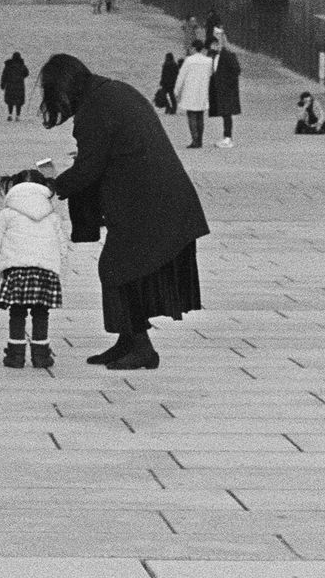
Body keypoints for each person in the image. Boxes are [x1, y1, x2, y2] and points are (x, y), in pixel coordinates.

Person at [40, 53, 208, 370]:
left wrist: (52, 188)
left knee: (117, 268)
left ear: (65, 86)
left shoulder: (96, 106)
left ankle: (142, 348)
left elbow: (90, 166)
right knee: (121, 268)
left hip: (151, 202)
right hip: (155, 198)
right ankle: (128, 341)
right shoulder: (108, 93)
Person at [0, 168, 66, 369]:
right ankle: (41, 356)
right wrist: (55, 267)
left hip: (17, 270)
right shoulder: (52, 215)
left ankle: (15, 355)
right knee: (41, 313)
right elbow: (62, 246)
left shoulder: (7, 214)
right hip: (44, 270)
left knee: (17, 312)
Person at [173, 42, 214, 149]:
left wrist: (176, 91)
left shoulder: (189, 60)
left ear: (194, 48)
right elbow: (210, 74)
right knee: (200, 116)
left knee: (191, 115)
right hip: (202, 90)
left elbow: (181, 76)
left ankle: (195, 140)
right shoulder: (208, 61)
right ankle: (199, 140)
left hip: (190, 90)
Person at [208, 30, 242, 148]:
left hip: (227, 90)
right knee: (224, 114)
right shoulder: (214, 55)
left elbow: (236, 70)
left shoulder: (227, 55)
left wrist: (227, 82)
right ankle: (226, 136)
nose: (212, 46)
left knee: (227, 114)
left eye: (215, 44)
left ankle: (228, 137)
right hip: (220, 89)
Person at [1, 51, 29, 121]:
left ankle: (10, 115)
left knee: (10, 101)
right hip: (19, 86)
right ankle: (18, 116)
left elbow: (4, 75)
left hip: (10, 85)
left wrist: (3, 84)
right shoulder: (21, 65)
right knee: (19, 101)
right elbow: (26, 73)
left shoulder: (8, 65)